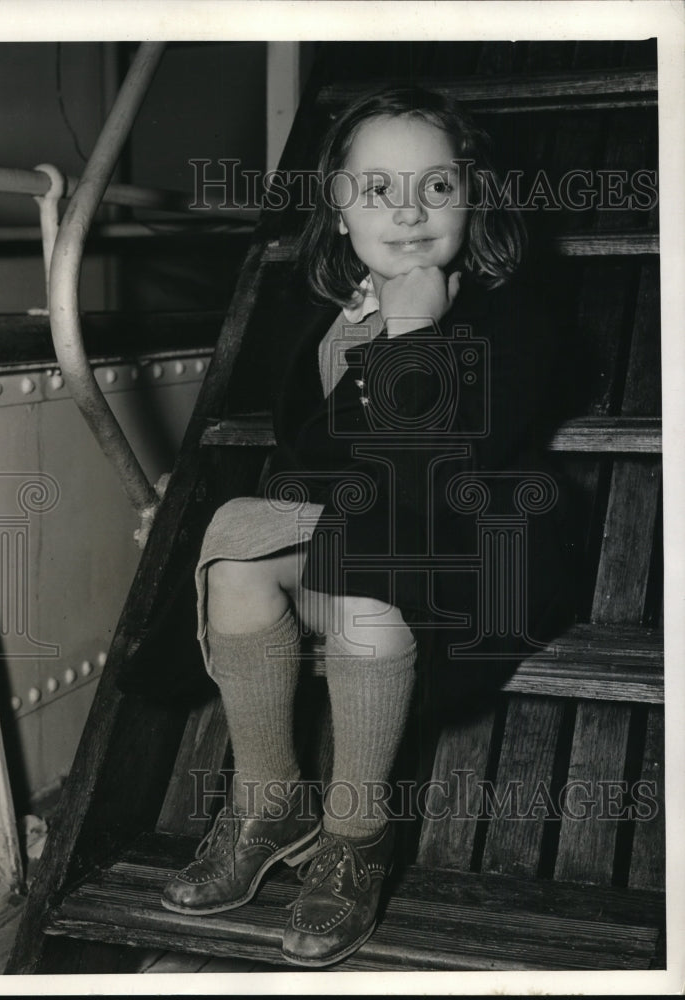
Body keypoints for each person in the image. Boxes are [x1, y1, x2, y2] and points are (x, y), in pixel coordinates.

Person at [160, 86, 575, 967]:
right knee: (239, 539)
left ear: (474, 197)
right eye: (377, 189)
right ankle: (269, 800)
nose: (410, 211)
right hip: (375, 530)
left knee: (362, 570)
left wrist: (415, 330)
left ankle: (356, 837)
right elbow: (308, 460)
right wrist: (354, 346)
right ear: (339, 208)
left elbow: (428, 476)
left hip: (478, 551)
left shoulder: (520, 317)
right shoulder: (337, 316)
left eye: (436, 186)